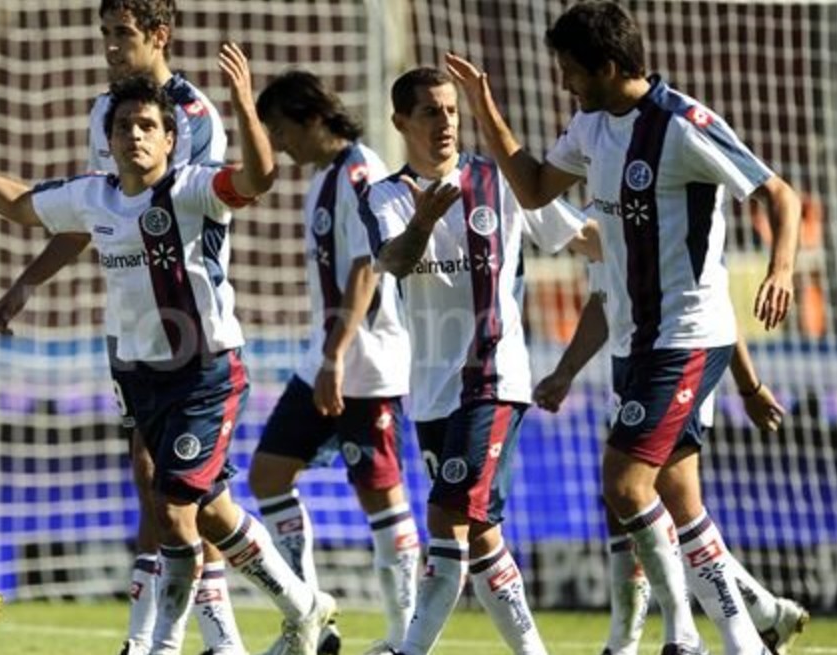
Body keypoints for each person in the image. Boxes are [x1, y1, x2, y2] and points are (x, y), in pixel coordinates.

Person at [0, 45, 336, 655]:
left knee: (172, 510)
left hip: (205, 371)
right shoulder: (93, 196)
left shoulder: (193, 190)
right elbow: (20, 204)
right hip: (139, 373)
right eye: (123, 127)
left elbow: (258, 178)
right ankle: (305, 606)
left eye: (146, 126)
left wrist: (245, 105)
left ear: (170, 140)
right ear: (107, 141)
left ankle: (160, 645)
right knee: (210, 511)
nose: (134, 135)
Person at [445, 1, 801, 652]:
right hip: (634, 339)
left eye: (571, 70)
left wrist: (780, 270)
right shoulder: (590, 125)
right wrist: (484, 107)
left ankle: (683, 637)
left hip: (685, 335)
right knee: (675, 497)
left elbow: (779, 194)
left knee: (623, 483)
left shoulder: (683, 125)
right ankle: (751, 637)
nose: (563, 84)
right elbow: (534, 188)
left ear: (608, 67)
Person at [0, 3, 245, 654]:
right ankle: (151, 635)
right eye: (104, 33)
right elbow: (95, 211)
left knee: (187, 487)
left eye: (121, 33)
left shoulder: (194, 117)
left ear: (159, 35)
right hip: (129, 320)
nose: (109, 46)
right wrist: (26, 283)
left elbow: (190, 208)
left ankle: (215, 636)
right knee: (149, 475)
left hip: (186, 321)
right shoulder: (106, 111)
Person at [365, 66, 602, 655]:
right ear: (401, 122)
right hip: (431, 392)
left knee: (446, 518)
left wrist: (650, 242)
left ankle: (408, 650)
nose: (445, 122)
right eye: (430, 112)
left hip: (494, 377)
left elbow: (582, 238)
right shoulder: (385, 195)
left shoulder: (498, 180)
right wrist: (423, 221)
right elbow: (394, 262)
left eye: (451, 110)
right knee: (482, 534)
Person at [532, 266, 810, 655]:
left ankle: (687, 637)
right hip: (632, 368)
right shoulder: (611, 233)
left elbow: (715, 300)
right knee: (642, 508)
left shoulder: (674, 231)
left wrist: (749, 385)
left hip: (678, 362)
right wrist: (566, 371)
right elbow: (603, 295)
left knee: (644, 496)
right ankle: (760, 617)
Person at [249, 70, 419, 655]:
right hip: (325, 359)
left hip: (365, 365)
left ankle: (404, 638)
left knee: (380, 493)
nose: (277, 144)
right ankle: (309, 617)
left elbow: (367, 268)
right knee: (268, 474)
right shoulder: (323, 179)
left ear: (312, 117)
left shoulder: (362, 172)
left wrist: (335, 357)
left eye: (279, 129)